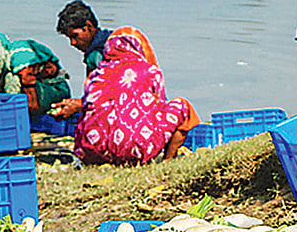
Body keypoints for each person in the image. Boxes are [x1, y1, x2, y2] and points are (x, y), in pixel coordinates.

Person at [53, 32, 199, 165]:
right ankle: (168, 161)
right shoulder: (150, 72)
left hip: (91, 153)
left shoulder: (95, 76)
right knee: (182, 106)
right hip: (134, 152)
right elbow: (158, 107)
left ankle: (101, 154)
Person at [0, 34, 71, 116]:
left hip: (53, 90)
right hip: (32, 89)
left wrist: (27, 109)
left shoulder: (20, 57)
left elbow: (32, 101)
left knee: (12, 80)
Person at [56, 0, 157, 75]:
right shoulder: (117, 40)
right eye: (69, 38)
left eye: (75, 36)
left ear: (89, 26)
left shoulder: (98, 55)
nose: (72, 43)